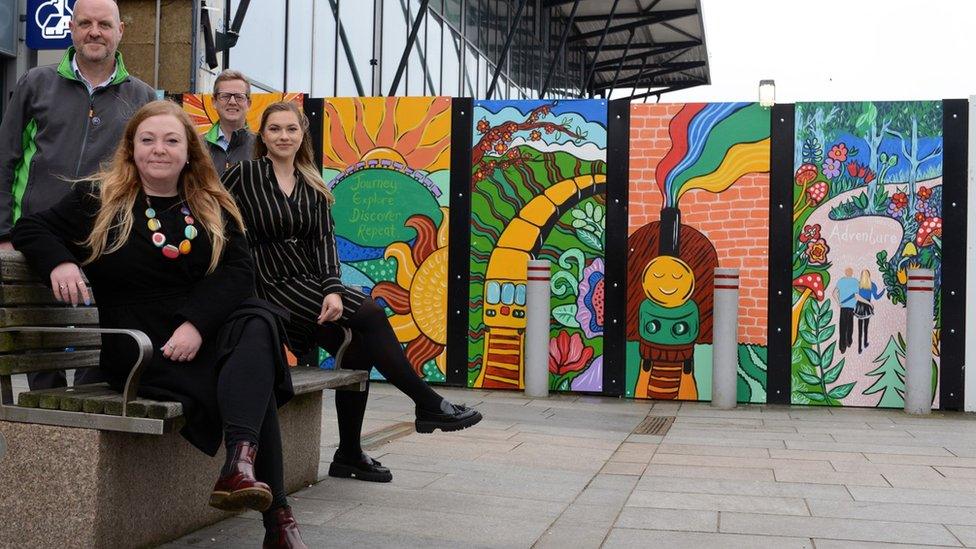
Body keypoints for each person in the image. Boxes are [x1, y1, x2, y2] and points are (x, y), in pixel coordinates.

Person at [13, 101, 307, 548]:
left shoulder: (209, 202)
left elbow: (238, 271)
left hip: (198, 334)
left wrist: (195, 325)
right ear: (131, 149)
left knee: (259, 321)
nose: (159, 150)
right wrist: (59, 264)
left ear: (189, 151)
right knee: (255, 375)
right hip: (141, 346)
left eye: (171, 140)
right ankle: (274, 512)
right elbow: (31, 228)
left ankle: (243, 468)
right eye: (147, 140)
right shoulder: (100, 199)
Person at [221, 101, 482, 483]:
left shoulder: (312, 182)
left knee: (359, 345)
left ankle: (348, 453)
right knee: (373, 314)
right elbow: (211, 211)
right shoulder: (243, 175)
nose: (283, 136)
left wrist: (332, 290)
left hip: (307, 282)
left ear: (301, 136)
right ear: (263, 135)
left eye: (291, 129)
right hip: (267, 285)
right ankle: (427, 402)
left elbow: (325, 243)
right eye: (275, 129)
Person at [0, 0, 155, 389]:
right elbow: (6, 158)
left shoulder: (144, 99)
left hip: (106, 242)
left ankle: (84, 430)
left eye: (104, 24)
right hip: (33, 239)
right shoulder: (36, 82)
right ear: (71, 29)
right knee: (40, 344)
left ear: (121, 30)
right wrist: (4, 232)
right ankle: (48, 426)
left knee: (99, 347)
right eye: (85, 23)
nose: (94, 32)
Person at [204, 69, 256, 175]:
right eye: (225, 96)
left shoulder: (262, 146)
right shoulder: (197, 147)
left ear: (249, 104)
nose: (232, 102)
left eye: (239, 97)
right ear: (214, 102)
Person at [855, 269, 884, 354]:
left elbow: (855, 296)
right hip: (867, 306)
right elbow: (877, 297)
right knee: (866, 327)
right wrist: (883, 290)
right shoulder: (872, 285)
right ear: (869, 275)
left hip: (859, 306)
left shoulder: (858, 284)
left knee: (859, 327)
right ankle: (865, 343)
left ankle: (859, 347)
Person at [832, 267, 859, 354]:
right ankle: (849, 341)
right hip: (851, 307)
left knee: (842, 326)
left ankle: (842, 347)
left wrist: (838, 302)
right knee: (850, 324)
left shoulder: (841, 281)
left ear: (845, 273)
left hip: (843, 306)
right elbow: (857, 295)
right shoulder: (855, 281)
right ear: (852, 273)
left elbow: (834, 293)